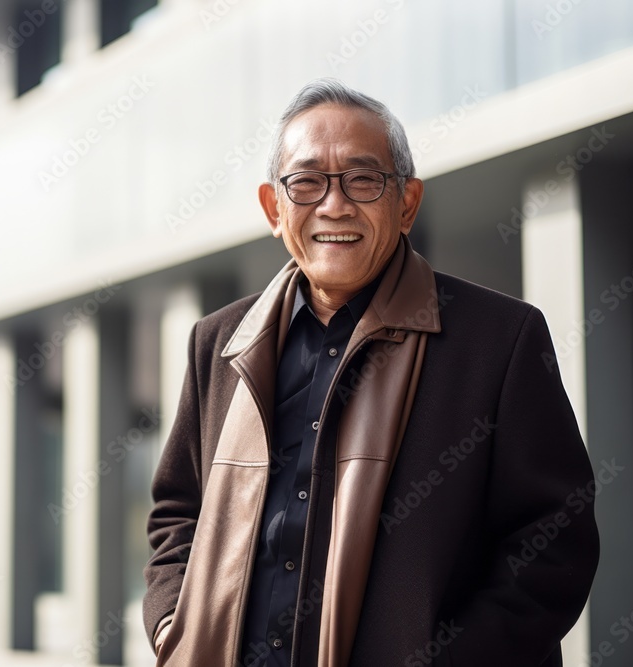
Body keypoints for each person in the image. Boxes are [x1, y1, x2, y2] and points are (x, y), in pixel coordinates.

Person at [143, 78, 600, 667]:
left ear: (406, 203)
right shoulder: (219, 342)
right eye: (306, 182)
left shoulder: (499, 339)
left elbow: (553, 538)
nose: (334, 205)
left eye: (362, 179)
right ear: (274, 209)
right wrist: (173, 628)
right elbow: (177, 511)